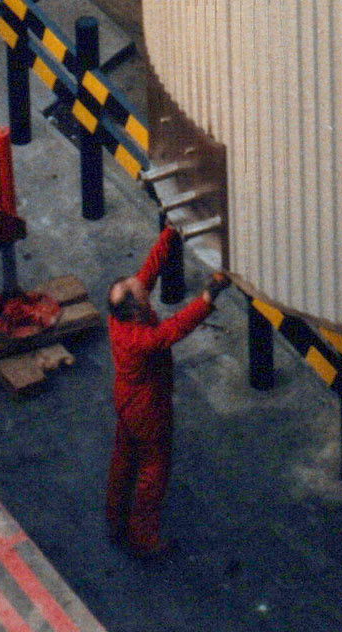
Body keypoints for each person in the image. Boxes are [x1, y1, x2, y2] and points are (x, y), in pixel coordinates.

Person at [105, 225, 229, 557]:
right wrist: (206, 299)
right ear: (134, 309)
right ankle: (142, 537)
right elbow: (174, 329)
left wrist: (168, 235)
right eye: (140, 292)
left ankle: (115, 519)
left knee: (123, 458)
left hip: (126, 401)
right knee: (152, 470)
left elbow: (148, 271)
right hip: (148, 407)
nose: (143, 286)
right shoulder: (140, 338)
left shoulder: (121, 316)